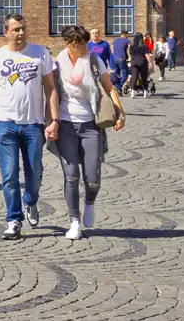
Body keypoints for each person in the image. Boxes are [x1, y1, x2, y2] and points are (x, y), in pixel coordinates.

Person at [0, 14, 59, 240]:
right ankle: (14, 219)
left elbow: (51, 88)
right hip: (5, 124)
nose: (21, 33)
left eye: (23, 28)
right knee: (9, 174)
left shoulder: (40, 53)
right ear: (6, 32)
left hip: (33, 125)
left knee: (35, 173)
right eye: (15, 30)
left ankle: (30, 201)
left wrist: (54, 119)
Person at [52, 26, 125, 239]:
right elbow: (50, 91)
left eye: (85, 42)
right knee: (71, 175)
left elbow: (109, 88)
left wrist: (119, 113)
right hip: (66, 123)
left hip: (91, 124)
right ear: (69, 44)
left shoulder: (94, 61)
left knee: (92, 177)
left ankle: (90, 202)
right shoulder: (57, 63)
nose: (85, 47)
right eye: (80, 44)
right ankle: (74, 221)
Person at [127, 31, 151, 97]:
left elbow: (131, 54)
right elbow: (146, 54)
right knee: (144, 77)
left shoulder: (131, 46)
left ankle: (132, 91)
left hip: (134, 62)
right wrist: (150, 62)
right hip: (142, 62)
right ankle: (145, 92)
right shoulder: (143, 45)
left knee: (134, 77)